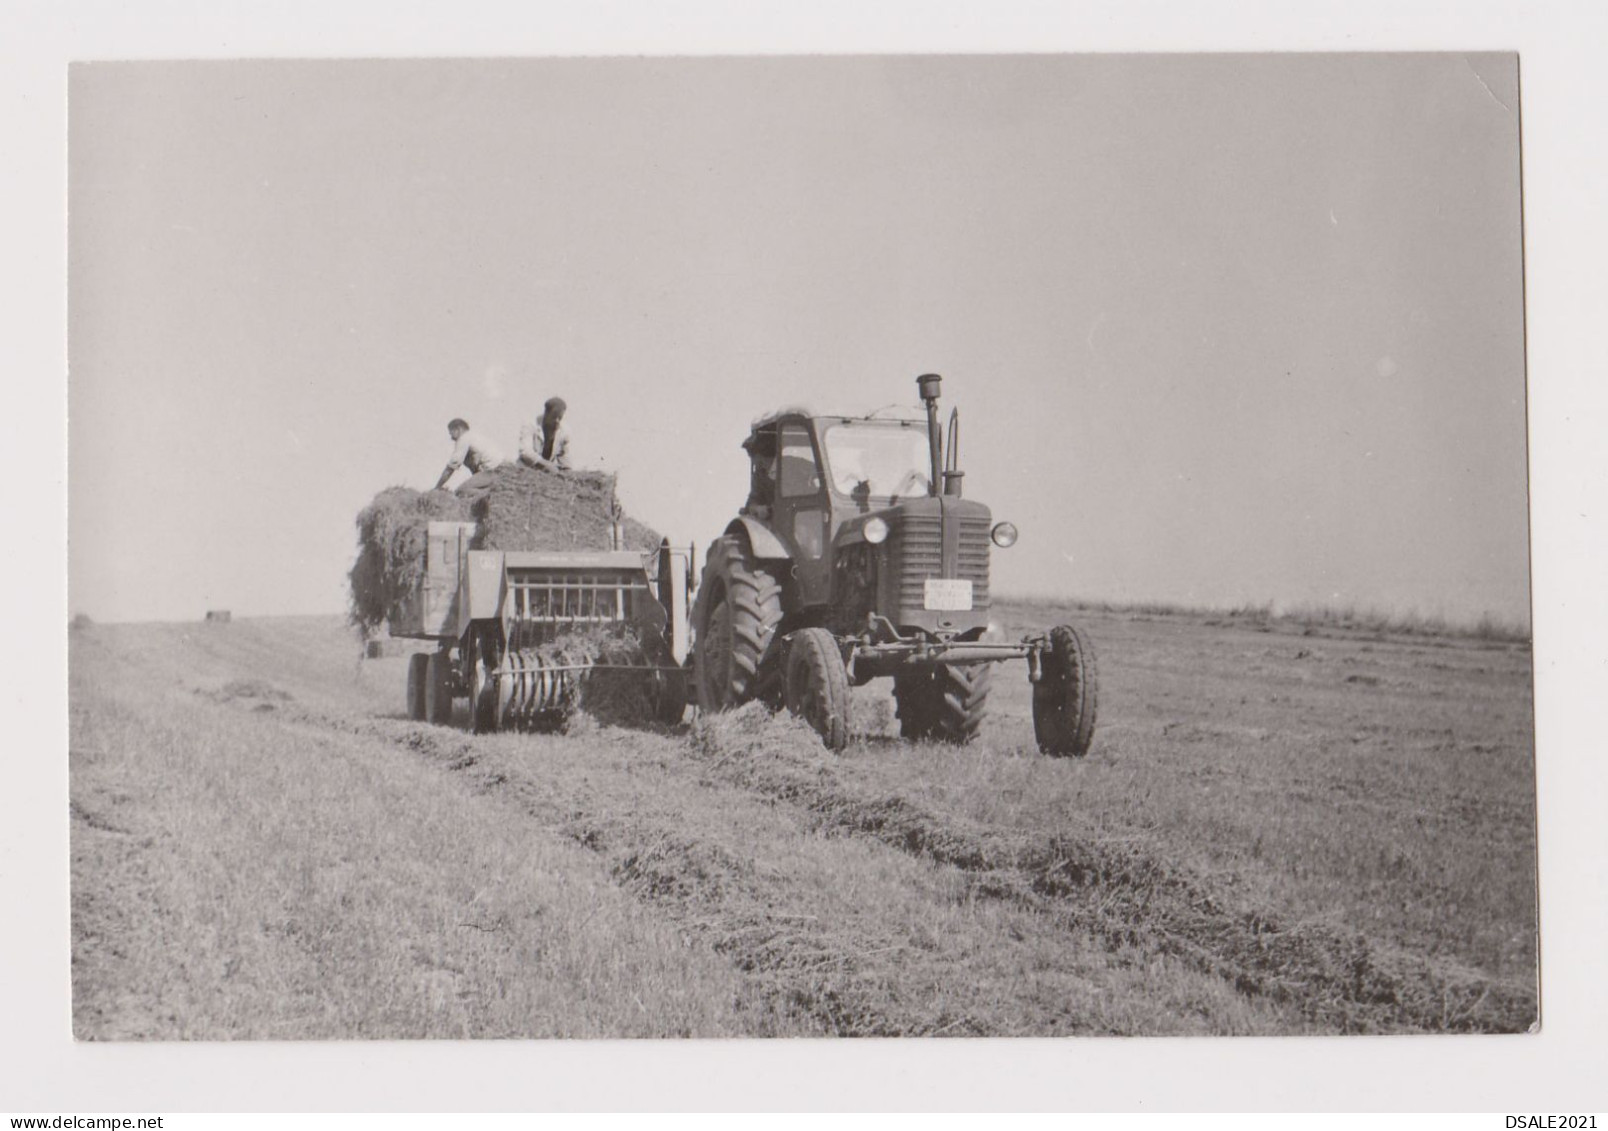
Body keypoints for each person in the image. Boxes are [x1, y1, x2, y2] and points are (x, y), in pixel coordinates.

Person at [434, 418, 507, 498]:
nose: (451, 438)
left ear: (458, 429)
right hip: (503, 470)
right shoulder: (475, 436)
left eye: (451, 433)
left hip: (493, 472)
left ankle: (495, 495)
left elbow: (451, 467)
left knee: (461, 491)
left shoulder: (463, 439)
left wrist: (437, 488)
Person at [519, 397, 573, 473]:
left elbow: (564, 455)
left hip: (547, 476)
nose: (557, 421)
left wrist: (568, 471)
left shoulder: (564, 431)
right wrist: (546, 465)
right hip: (526, 471)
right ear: (546, 413)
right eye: (554, 417)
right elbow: (526, 452)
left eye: (560, 418)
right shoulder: (530, 425)